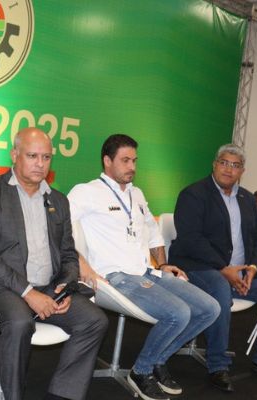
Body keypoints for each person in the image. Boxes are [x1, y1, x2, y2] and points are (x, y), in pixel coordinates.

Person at [68, 134, 219, 400]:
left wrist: (164, 264)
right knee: (178, 313)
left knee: (210, 308)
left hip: (147, 272)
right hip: (114, 277)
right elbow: (59, 230)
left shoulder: (136, 193)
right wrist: (84, 267)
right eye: (125, 160)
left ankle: (157, 359)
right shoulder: (86, 192)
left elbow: (152, 231)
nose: (132, 167)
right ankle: (141, 371)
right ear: (107, 161)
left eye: (134, 160)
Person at [0, 127, 108, 400]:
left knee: (94, 321)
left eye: (46, 157)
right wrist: (29, 293)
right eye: (32, 156)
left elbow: (68, 253)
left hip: (48, 286)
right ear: (14, 155)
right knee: (20, 323)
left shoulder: (58, 201)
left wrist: (65, 286)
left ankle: (63, 394)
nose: (40, 164)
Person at [168, 143, 257, 392]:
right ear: (214, 165)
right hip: (200, 269)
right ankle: (217, 366)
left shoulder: (247, 198)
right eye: (224, 163)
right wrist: (223, 268)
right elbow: (191, 239)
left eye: (235, 165)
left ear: (242, 171)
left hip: (241, 273)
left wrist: (252, 267)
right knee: (219, 287)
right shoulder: (193, 194)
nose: (228, 169)